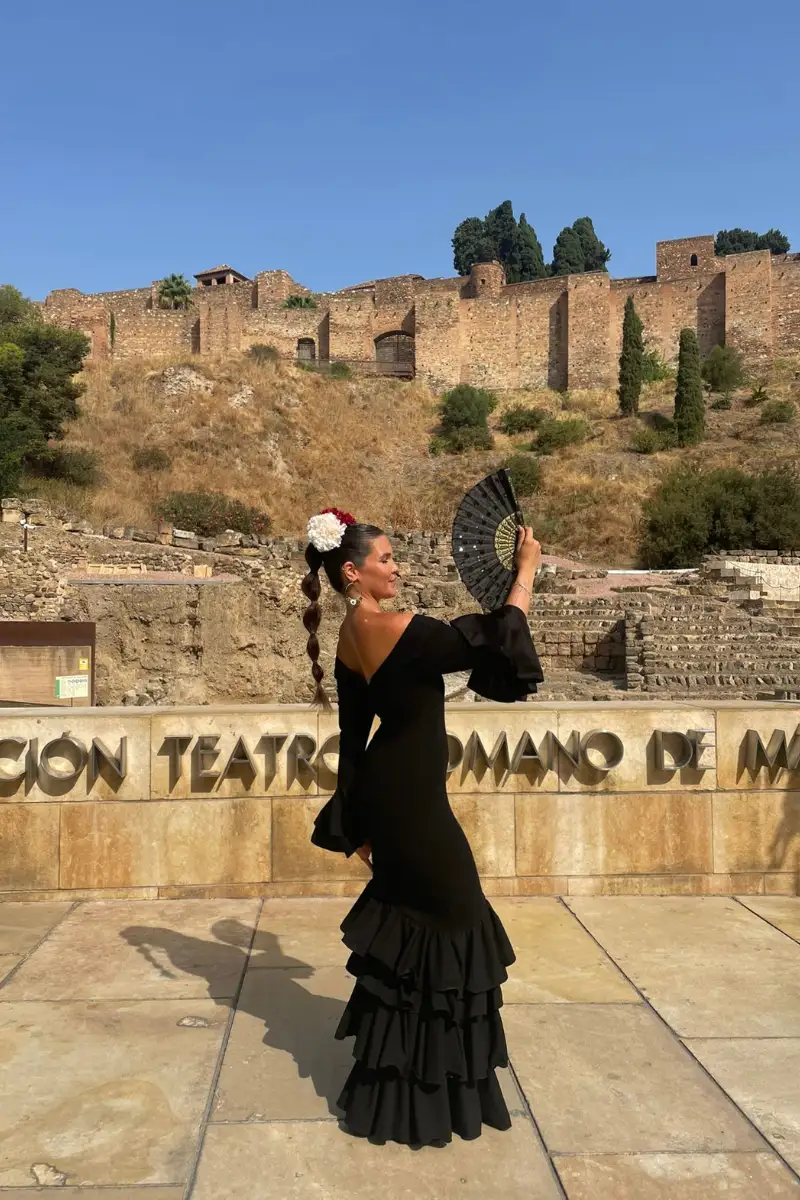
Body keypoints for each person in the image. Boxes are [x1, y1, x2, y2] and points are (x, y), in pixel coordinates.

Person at [300, 506, 543, 1148]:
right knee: (458, 921)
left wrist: (355, 820)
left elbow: (353, 739)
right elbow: (491, 636)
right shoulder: (394, 627)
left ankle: (403, 1092)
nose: (396, 566)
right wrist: (525, 572)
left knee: (414, 933)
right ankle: (435, 1092)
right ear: (353, 572)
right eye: (385, 558)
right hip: (413, 805)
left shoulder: (350, 635)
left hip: (388, 800)